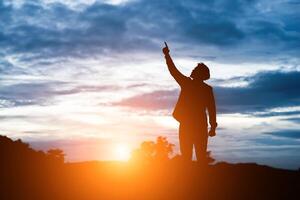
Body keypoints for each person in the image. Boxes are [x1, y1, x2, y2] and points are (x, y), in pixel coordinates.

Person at [162, 42, 217, 162]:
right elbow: (212, 110)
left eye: (195, 69)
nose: (193, 70)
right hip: (196, 125)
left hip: (190, 125)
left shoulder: (188, 84)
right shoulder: (203, 88)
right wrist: (212, 127)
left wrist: (167, 55)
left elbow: (173, 71)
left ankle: (194, 179)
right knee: (194, 158)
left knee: (191, 157)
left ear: (199, 74)